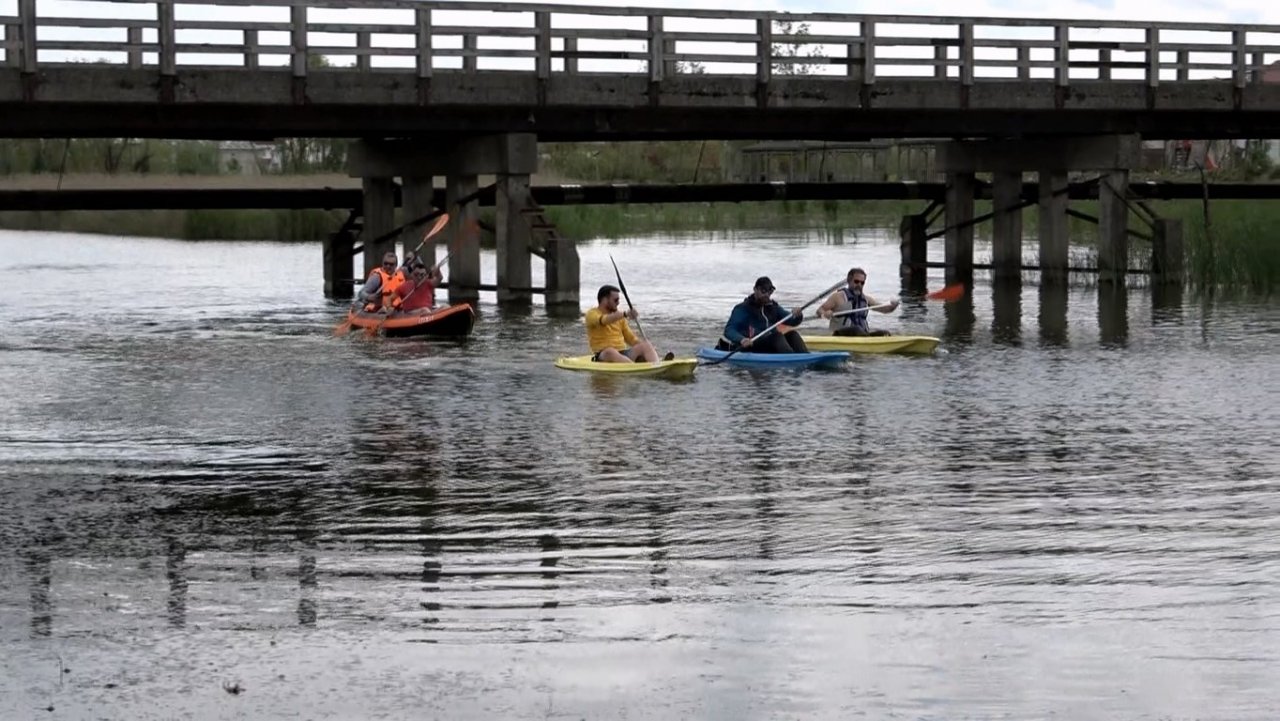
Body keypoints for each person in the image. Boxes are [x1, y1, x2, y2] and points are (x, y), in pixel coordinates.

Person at [717, 276, 809, 353]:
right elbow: (729, 330)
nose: (766, 295)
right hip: (752, 345)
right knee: (777, 337)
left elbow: (792, 321)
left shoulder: (773, 307)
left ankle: (806, 358)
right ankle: (792, 360)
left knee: (792, 334)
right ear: (755, 289)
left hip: (771, 344)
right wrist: (741, 339)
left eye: (769, 292)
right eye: (763, 291)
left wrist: (797, 315)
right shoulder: (742, 308)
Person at [585, 284, 672, 363]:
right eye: (615, 300)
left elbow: (630, 338)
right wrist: (625, 314)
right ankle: (634, 366)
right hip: (603, 355)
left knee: (646, 345)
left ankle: (656, 363)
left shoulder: (620, 318)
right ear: (604, 300)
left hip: (623, 353)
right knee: (610, 351)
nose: (618, 303)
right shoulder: (592, 314)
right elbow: (604, 320)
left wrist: (647, 348)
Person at [816, 267, 899, 336]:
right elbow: (820, 310)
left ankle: (871, 341)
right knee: (856, 329)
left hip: (862, 334)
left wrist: (893, 306)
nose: (859, 285)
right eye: (856, 281)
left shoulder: (866, 299)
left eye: (862, 283)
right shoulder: (838, 297)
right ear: (849, 281)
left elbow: (884, 309)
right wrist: (825, 314)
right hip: (840, 334)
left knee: (885, 333)